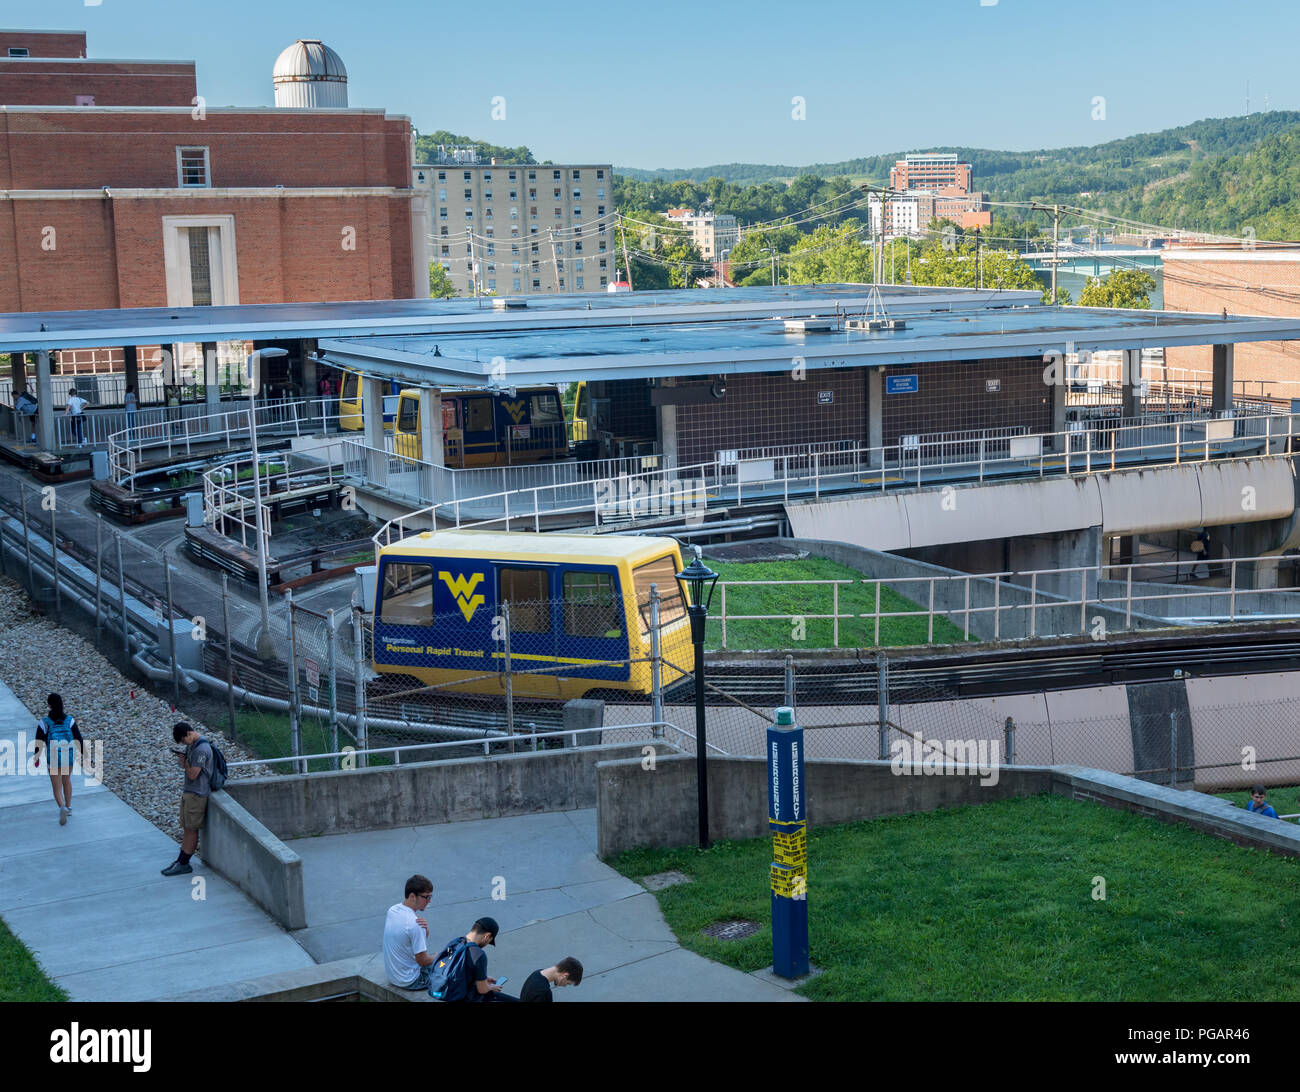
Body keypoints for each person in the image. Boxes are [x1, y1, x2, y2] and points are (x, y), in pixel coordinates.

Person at [161, 722, 213, 876]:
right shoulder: (193, 746)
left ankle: (184, 863)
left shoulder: (201, 749)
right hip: (190, 792)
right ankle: (181, 860)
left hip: (197, 794)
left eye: (184, 740)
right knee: (186, 828)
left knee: (191, 829)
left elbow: (192, 774)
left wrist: (184, 762)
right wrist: (183, 760)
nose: (184, 744)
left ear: (189, 733)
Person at [436, 916, 515, 1002]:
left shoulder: (456, 942)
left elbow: (456, 969)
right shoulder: (478, 954)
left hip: (448, 991)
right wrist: (491, 987)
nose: (486, 944)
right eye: (489, 941)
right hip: (464, 997)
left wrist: (482, 978)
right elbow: (482, 989)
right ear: (487, 936)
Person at [33, 693, 82, 826]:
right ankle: (69, 807)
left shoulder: (44, 723)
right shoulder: (69, 720)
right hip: (68, 754)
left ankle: (62, 808)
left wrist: (36, 757)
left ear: (49, 705)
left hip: (53, 756)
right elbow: (78, 738)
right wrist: (84, 754)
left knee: (56, 787)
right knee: (67, 781)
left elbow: (38, 741)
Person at [383, 874, 435, 990]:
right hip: (411, 981)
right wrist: (439, 956)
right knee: (448, 963)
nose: (429, 901)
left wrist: (425, 930)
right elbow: (423, 961)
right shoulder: (415, 924)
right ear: (412, 896)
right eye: (426, 897)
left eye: (430, 897)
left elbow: (411, 940)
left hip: (393, 976)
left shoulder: (393, 910)